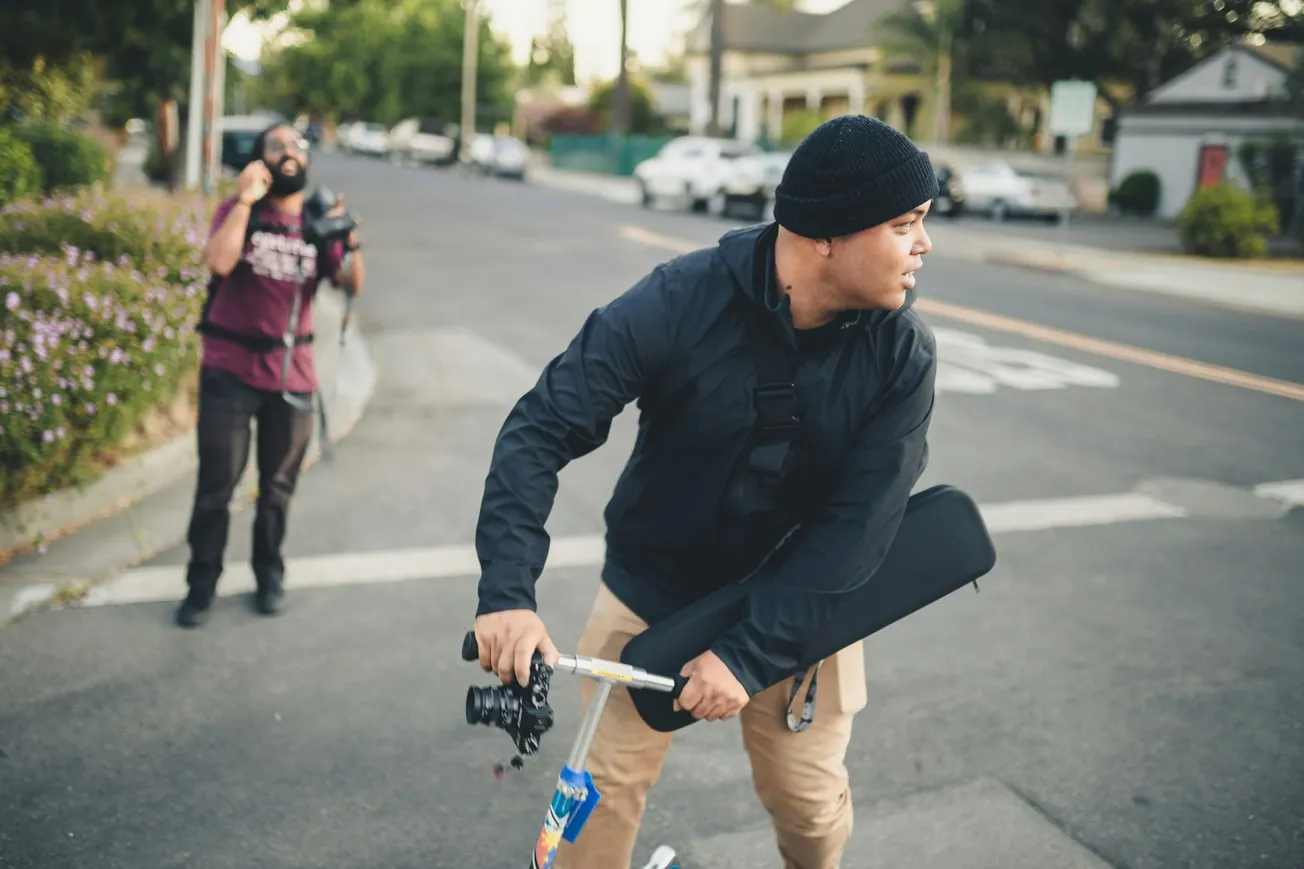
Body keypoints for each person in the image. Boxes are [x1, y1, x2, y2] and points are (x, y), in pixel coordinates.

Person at [472, 115, 938, 869]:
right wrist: (506, 593)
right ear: (826, 233)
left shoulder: (902, 352)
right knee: (602, 797)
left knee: (813, 812)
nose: (923, 245)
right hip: (653, 596)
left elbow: (860, 527)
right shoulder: (680, 298)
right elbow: (541, 426)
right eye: (903, 224)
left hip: (803, 616)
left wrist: (749, 653)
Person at [176, 122, 366, 628]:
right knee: (216, 487)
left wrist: (348, 235)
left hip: (292, 376)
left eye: (294, 146)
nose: (287, 152)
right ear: (261, 161)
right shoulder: (244, 211)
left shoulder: (314, 221)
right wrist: (242, 200)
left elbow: (350, 283)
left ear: (306, 159)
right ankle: (201, 584)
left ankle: (269, 575)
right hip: (230, 372)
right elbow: (218, 262)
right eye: (274, 146)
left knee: (277, 491)